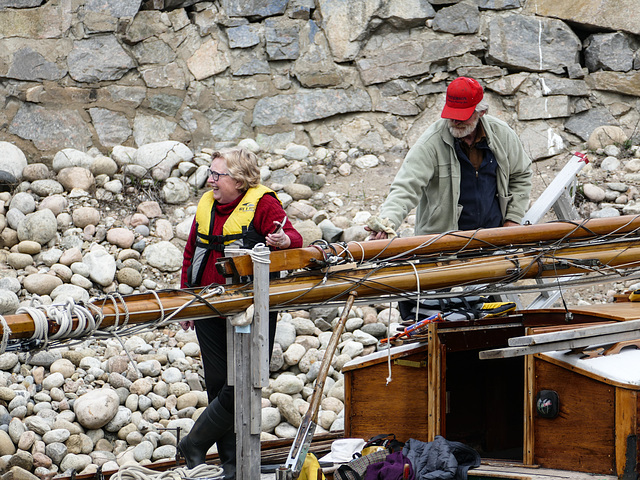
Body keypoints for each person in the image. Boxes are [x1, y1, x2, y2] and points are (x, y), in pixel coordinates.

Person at [178, 147, 303, 478]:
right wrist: (188, 300)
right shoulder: (208, 205)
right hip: (209, 306)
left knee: (244, 384)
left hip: (251, 310)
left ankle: (194, 442)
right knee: (219, 385)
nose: (210, 180)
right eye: (210, 173)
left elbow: (293, 236)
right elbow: (192, 251)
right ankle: (233, 469)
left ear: (240, 180)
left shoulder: (263, 204)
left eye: (217, 175)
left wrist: (281, 240)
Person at [368, 76, 532, 240]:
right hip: (443, 243)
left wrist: (512, 219)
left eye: (463, 115)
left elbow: (521, 175)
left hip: (493, 236)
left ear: (481, 112)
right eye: (452, 114)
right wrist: (386, 224)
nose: (455, 121)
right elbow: (405, 188)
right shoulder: (430, 143)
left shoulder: (502, 135)